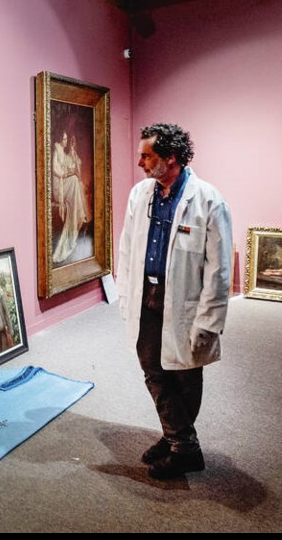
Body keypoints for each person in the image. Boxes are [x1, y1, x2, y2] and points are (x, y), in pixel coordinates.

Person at [117, 122, 232, 480]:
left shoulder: (209, 200)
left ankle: (180, 444)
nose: (139, 162)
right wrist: (124, 295)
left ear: (171, 158)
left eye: (146, 156)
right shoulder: (140, 195)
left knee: (184, 373)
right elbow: (126, 248)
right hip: (146, 296)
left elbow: (219, 268)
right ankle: (180, 441)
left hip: (185, 302)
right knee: (152, 368)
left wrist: (209, 321)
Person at [52, 132, 89, 263]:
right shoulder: (57, 150)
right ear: (60, 139)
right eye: (64, 139)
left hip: (65, 182)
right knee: (74, 180)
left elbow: (73, 168)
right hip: (59, 186)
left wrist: (71, 171)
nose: (66, 141)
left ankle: (78, 213)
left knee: (77, 182)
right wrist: (68, 173)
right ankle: (79, 213)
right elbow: (56, 170)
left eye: (67, 139)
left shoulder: (65, 153)